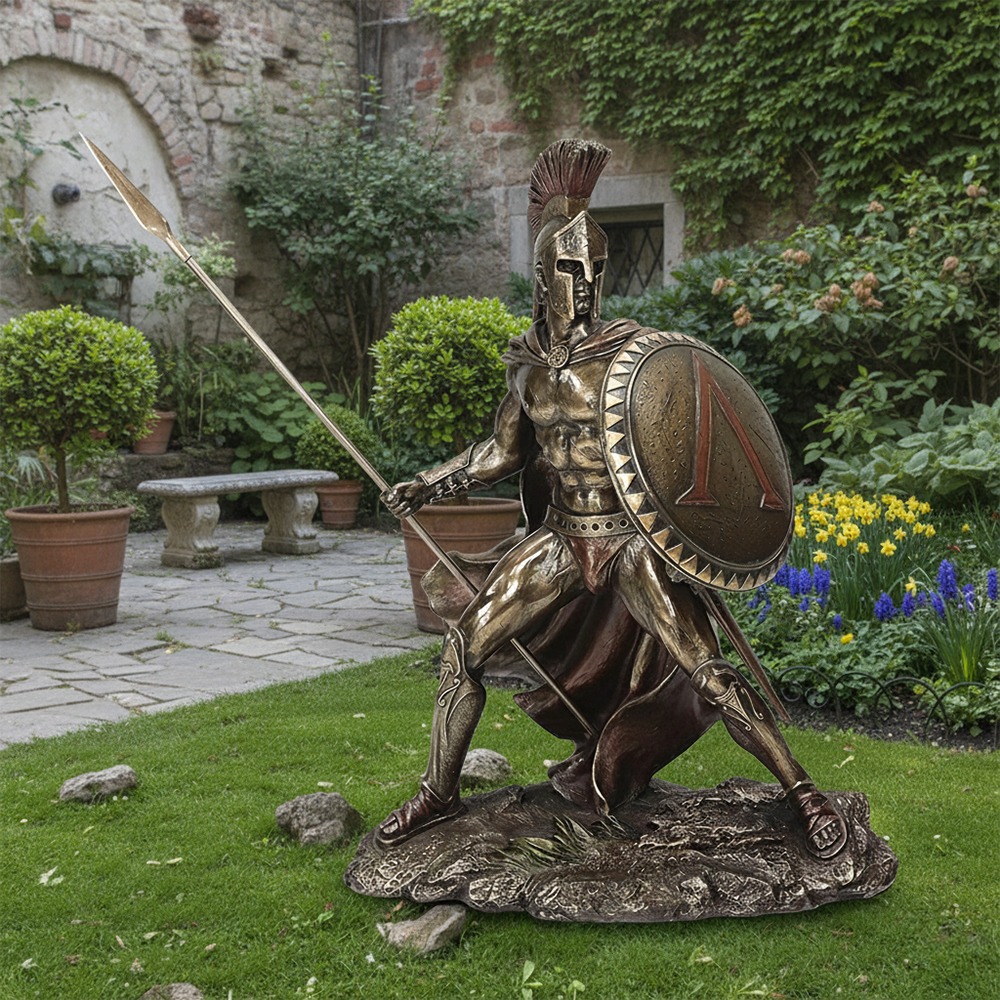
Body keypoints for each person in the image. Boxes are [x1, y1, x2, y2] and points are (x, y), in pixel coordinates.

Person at [378, 139, 847, 860]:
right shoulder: (527, 369)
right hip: (562, 541)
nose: (589, 282)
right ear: (543, 275)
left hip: (627, 543)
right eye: (572, 268)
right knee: (462, 649)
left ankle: (804, 794)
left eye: (597, 267)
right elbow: (501, 453)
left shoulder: (633, 357)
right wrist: (429, 483)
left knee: (708, 670)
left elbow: (687, 443)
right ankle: (438, 794)